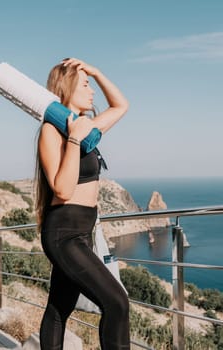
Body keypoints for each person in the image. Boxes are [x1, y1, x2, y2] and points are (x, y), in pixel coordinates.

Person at [35, 58, 130, 349]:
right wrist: (74, 141)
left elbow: (120, 106)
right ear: (67, 88)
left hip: (82, 231)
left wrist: (97, 72)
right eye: (86, 85)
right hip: (63, 232)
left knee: (60, 308)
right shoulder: (52, 132)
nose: (92, 92)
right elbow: (62, 190)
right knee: (117, 303)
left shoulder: (85, 128)